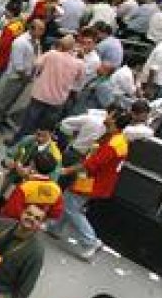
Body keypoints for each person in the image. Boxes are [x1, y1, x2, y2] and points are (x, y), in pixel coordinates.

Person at [48, 106, 129, 259]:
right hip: (95, 180)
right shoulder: (116, 138)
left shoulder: (113, 143)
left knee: (71, 207)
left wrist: (67, 170)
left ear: (114, 120)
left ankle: (90, 241)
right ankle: (55, 228)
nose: (106, 116)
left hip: (93, 181)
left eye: (110, 115)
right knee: (68, 201)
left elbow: (91, 164)